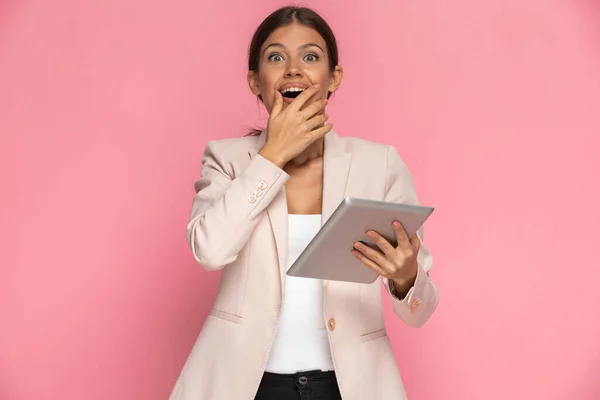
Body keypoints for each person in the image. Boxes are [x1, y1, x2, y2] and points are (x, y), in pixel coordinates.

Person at [169, 6, 439, 400]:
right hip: (246, 386)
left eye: (310, 57)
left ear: (333, 79)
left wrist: (406, 277)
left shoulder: (379, 165)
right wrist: (271, 157)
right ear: (254, 81)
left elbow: (421, 310)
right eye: (276, 57)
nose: (293, 69)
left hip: (349, 387)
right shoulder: (227, 159)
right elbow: (209, 250)